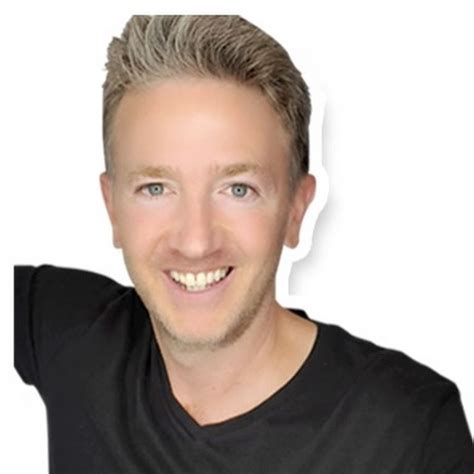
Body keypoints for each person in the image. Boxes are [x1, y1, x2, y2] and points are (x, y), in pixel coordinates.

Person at [14, 15, 473, 474]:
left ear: (296, 210)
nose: (196, 242)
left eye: (238, 189)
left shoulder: (410, 433)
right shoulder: (66, 333)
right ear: (112, 208)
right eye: (155, 188)